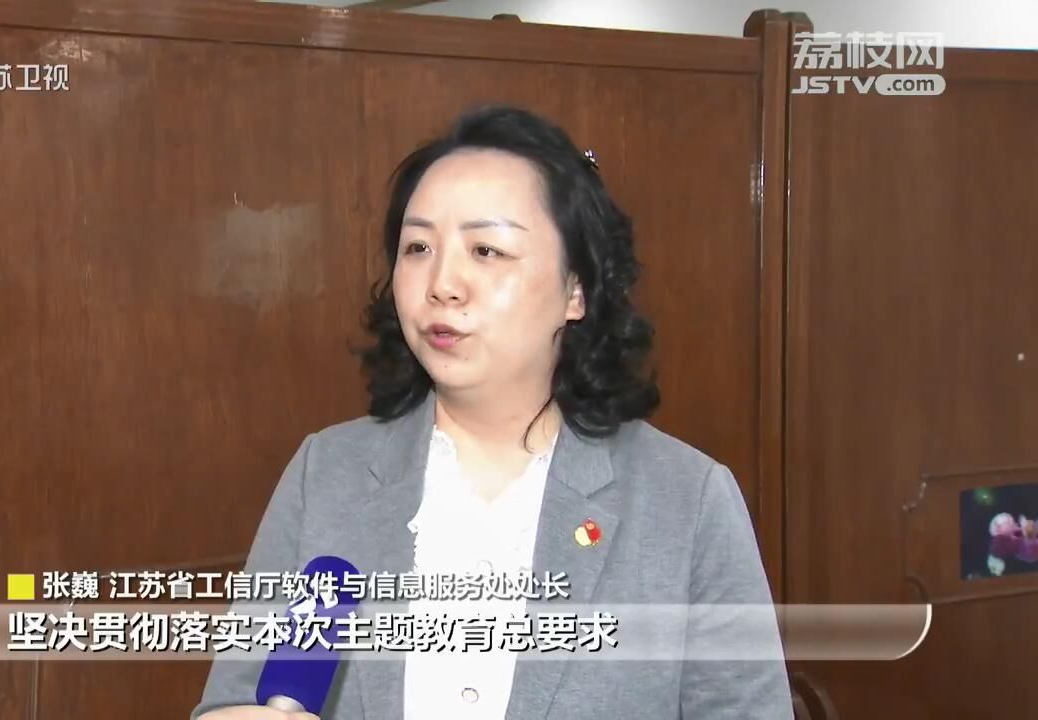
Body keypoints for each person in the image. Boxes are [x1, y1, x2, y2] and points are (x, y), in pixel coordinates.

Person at [192, 105, 793, 720]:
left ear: (576, 290)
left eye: (486, 249)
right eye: (418, 247)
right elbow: (235, 699)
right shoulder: (327, 472)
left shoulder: (686, 500)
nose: (443, 283)